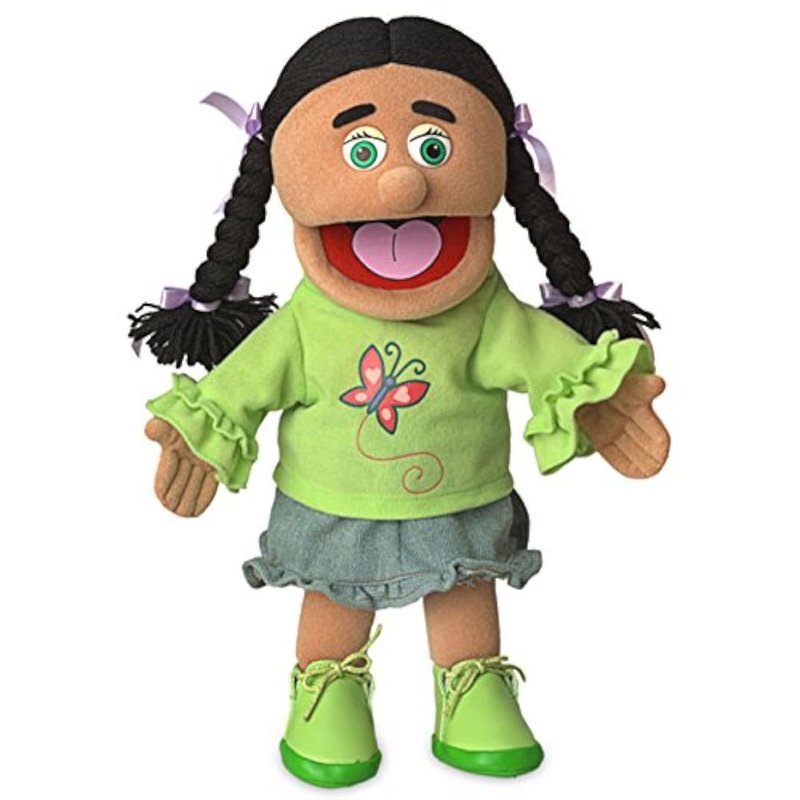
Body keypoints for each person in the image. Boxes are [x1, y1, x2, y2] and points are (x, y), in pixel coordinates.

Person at [130, 16, 669, 788]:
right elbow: (243, 383)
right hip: (331, 504)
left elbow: (543, 355)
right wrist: (202, 428)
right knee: (334, 602)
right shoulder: (307, 320)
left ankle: (471, 687)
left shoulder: (484, 305)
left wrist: (598, 393)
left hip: (463, 498)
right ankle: (327, 689)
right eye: (360, 151)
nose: (403, 185)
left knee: (463, 592)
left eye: (434, 148)